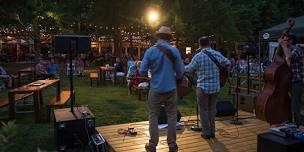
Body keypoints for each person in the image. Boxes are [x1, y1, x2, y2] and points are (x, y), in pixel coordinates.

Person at [140, 26, 184, 152]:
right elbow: (181, 72)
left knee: (153, 115)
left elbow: (142, 71)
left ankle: (153, 144)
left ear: (158, 36)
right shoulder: (174, 51)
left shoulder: (150, 51)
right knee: (171, 116)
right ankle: (172, 144)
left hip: (156, 88)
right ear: (169, 38)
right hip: (171, 89)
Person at [185, 36, 230, 139]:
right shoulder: (217, 54)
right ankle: (213, 132)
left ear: (200, 45)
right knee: (212, 109)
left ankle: (206, 133)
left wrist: (181, 67)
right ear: (209, 43)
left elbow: (188, 70)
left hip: (203, 88)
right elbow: (228, 63)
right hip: (215, 87)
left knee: (203, 110)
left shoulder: (198, 56)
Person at [278, 34, 304, 127]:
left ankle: (298, 126)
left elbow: (289, 57)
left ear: (291, 41)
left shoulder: (297, 49)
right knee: (288, 104)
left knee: (295, 105)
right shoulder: (287, 49)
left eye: (285, 40)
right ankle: (289, 123)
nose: (283, 42)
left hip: (297, 82)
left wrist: (283, 45)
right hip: (289, 81)